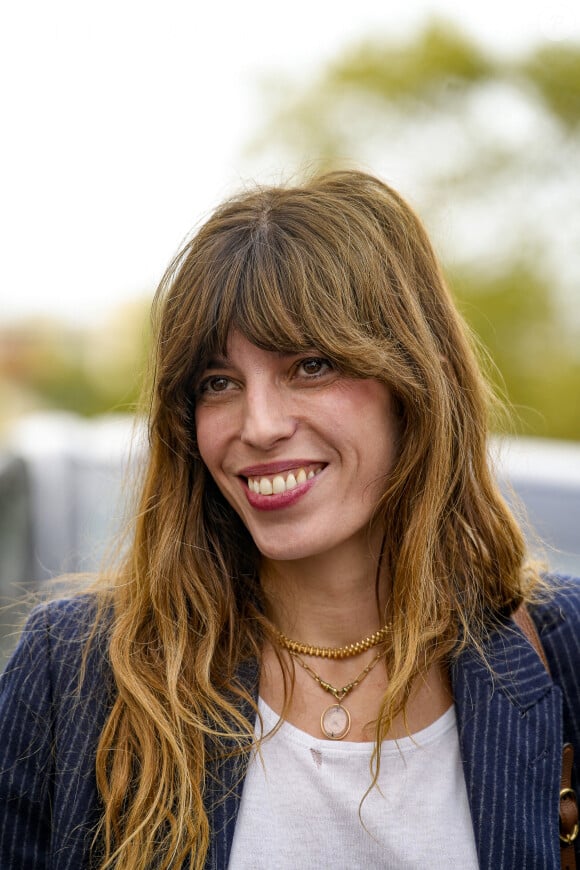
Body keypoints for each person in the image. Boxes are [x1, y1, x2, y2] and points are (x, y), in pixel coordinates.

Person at [0, 170, 578, 870]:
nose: (260, 425)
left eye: (311, 366)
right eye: (219, 383)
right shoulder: (77, 674)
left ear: (415, 384)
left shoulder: (562, 655)